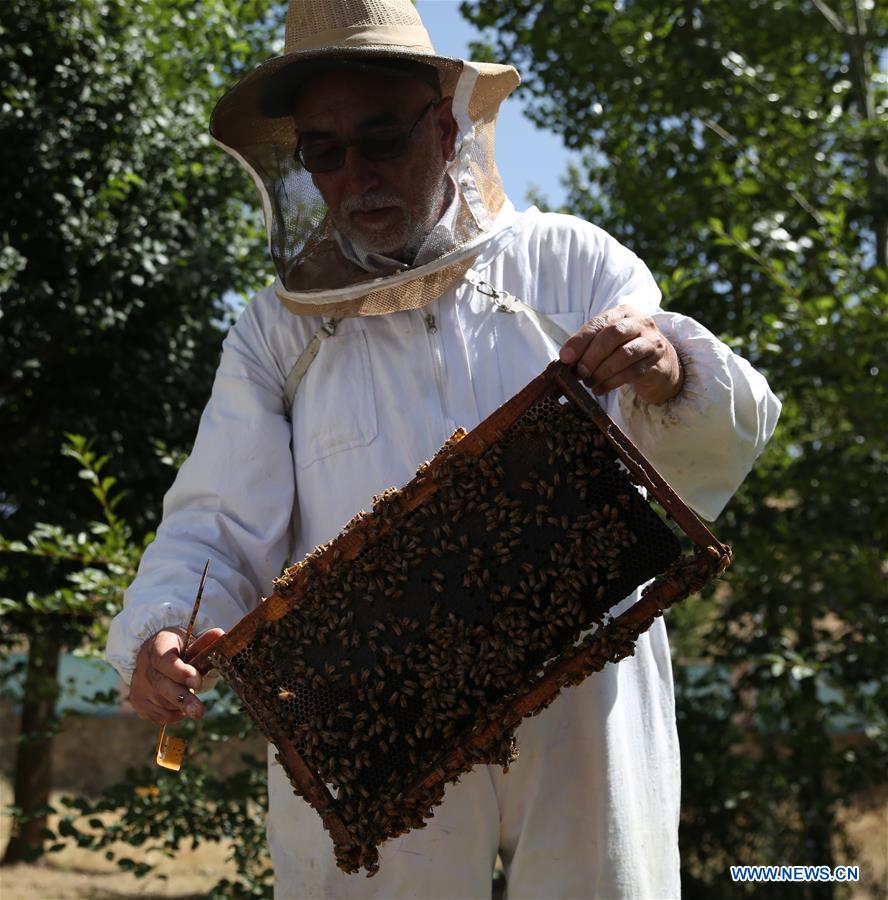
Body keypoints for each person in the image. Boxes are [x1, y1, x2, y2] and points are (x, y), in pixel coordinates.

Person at [107, 1, 781, 897]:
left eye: (381, 140)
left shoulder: (567, 264)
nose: (357, 174)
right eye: (325, 152)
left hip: (585, 711)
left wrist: (665, 372)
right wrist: (163, 630)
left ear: (443, 127)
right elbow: (217, 523)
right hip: (376, 721)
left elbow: (703, 437)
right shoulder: (275, 333)